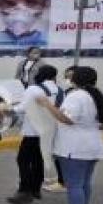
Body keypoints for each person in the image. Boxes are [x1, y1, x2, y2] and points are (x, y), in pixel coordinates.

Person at [37, 67, 103, 204]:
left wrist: (47, 104)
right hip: (93, 146)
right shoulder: (102, 96)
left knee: (74, 184)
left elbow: (67, 119)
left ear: (75, 80)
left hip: (75, 148)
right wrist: (94, 127)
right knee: (84, 183)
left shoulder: (76, 96)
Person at [8, 65, 61, 204]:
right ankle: (36, 189)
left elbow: (22, 108)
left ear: (39, 74)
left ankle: (24, 191)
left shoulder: (34, 88)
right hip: (49, 131)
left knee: (23, 160)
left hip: (33, 131)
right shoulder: (60, 90)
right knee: (39, 160)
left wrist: (7, 109)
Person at [42, 66, 77, 194]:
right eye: (66, 76)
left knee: (64, 157)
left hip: (70, 131)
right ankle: (65, 181)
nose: (68, 79)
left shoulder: (76, 94)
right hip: (64, 129)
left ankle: (65, 183)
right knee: (60, 156)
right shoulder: (67, 91)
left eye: (71, 77)